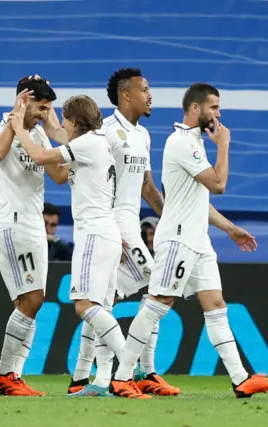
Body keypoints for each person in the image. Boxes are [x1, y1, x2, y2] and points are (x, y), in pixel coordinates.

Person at [110, 83, 268, 399]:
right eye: (213, 107)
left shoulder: (194, 143)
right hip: (177, 239)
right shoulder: (182, 142)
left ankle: (241, 379)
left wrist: (230, 229)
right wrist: (224, 146)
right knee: (159, 304)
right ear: (195, 108)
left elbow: (199, 200)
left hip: (197, 240)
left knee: (216, 306)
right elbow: (218, 185)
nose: (218, 114)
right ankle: (122, 378)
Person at [68, 68, 179, 397]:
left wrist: (172, 219)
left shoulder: (143, 135)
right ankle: (139, 372)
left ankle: (86, 378)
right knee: (157, 286)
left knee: (104, 301)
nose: (150, 95)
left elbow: (147, 187)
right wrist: (107, 231)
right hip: (112, 225)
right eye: (144, 89)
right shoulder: (106, 132)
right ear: (126, 95)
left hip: (131, 222)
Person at [12, 94, 126, 397]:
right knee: (101, 309)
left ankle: (128, 369)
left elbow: (39, 156)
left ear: (75, 121)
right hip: (108, 233)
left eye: (64, 117)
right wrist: (45, 116)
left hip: (94, 234)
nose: (61, 123)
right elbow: (61, 174)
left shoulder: (86, 144)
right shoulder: (95, 143)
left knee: (85, 306)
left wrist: (20, 129)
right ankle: (103, 380)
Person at [0, 78, 68, 396]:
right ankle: (5, 374)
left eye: (49, 109)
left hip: (34, 227)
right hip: (13, 225)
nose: (44, 114)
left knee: (30, 303)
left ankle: (12, 376)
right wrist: (16, 120)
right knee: (31, 301)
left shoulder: (38, 135)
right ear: (24, 100)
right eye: (42, 107)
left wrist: (54, 127)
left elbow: (60, 176)